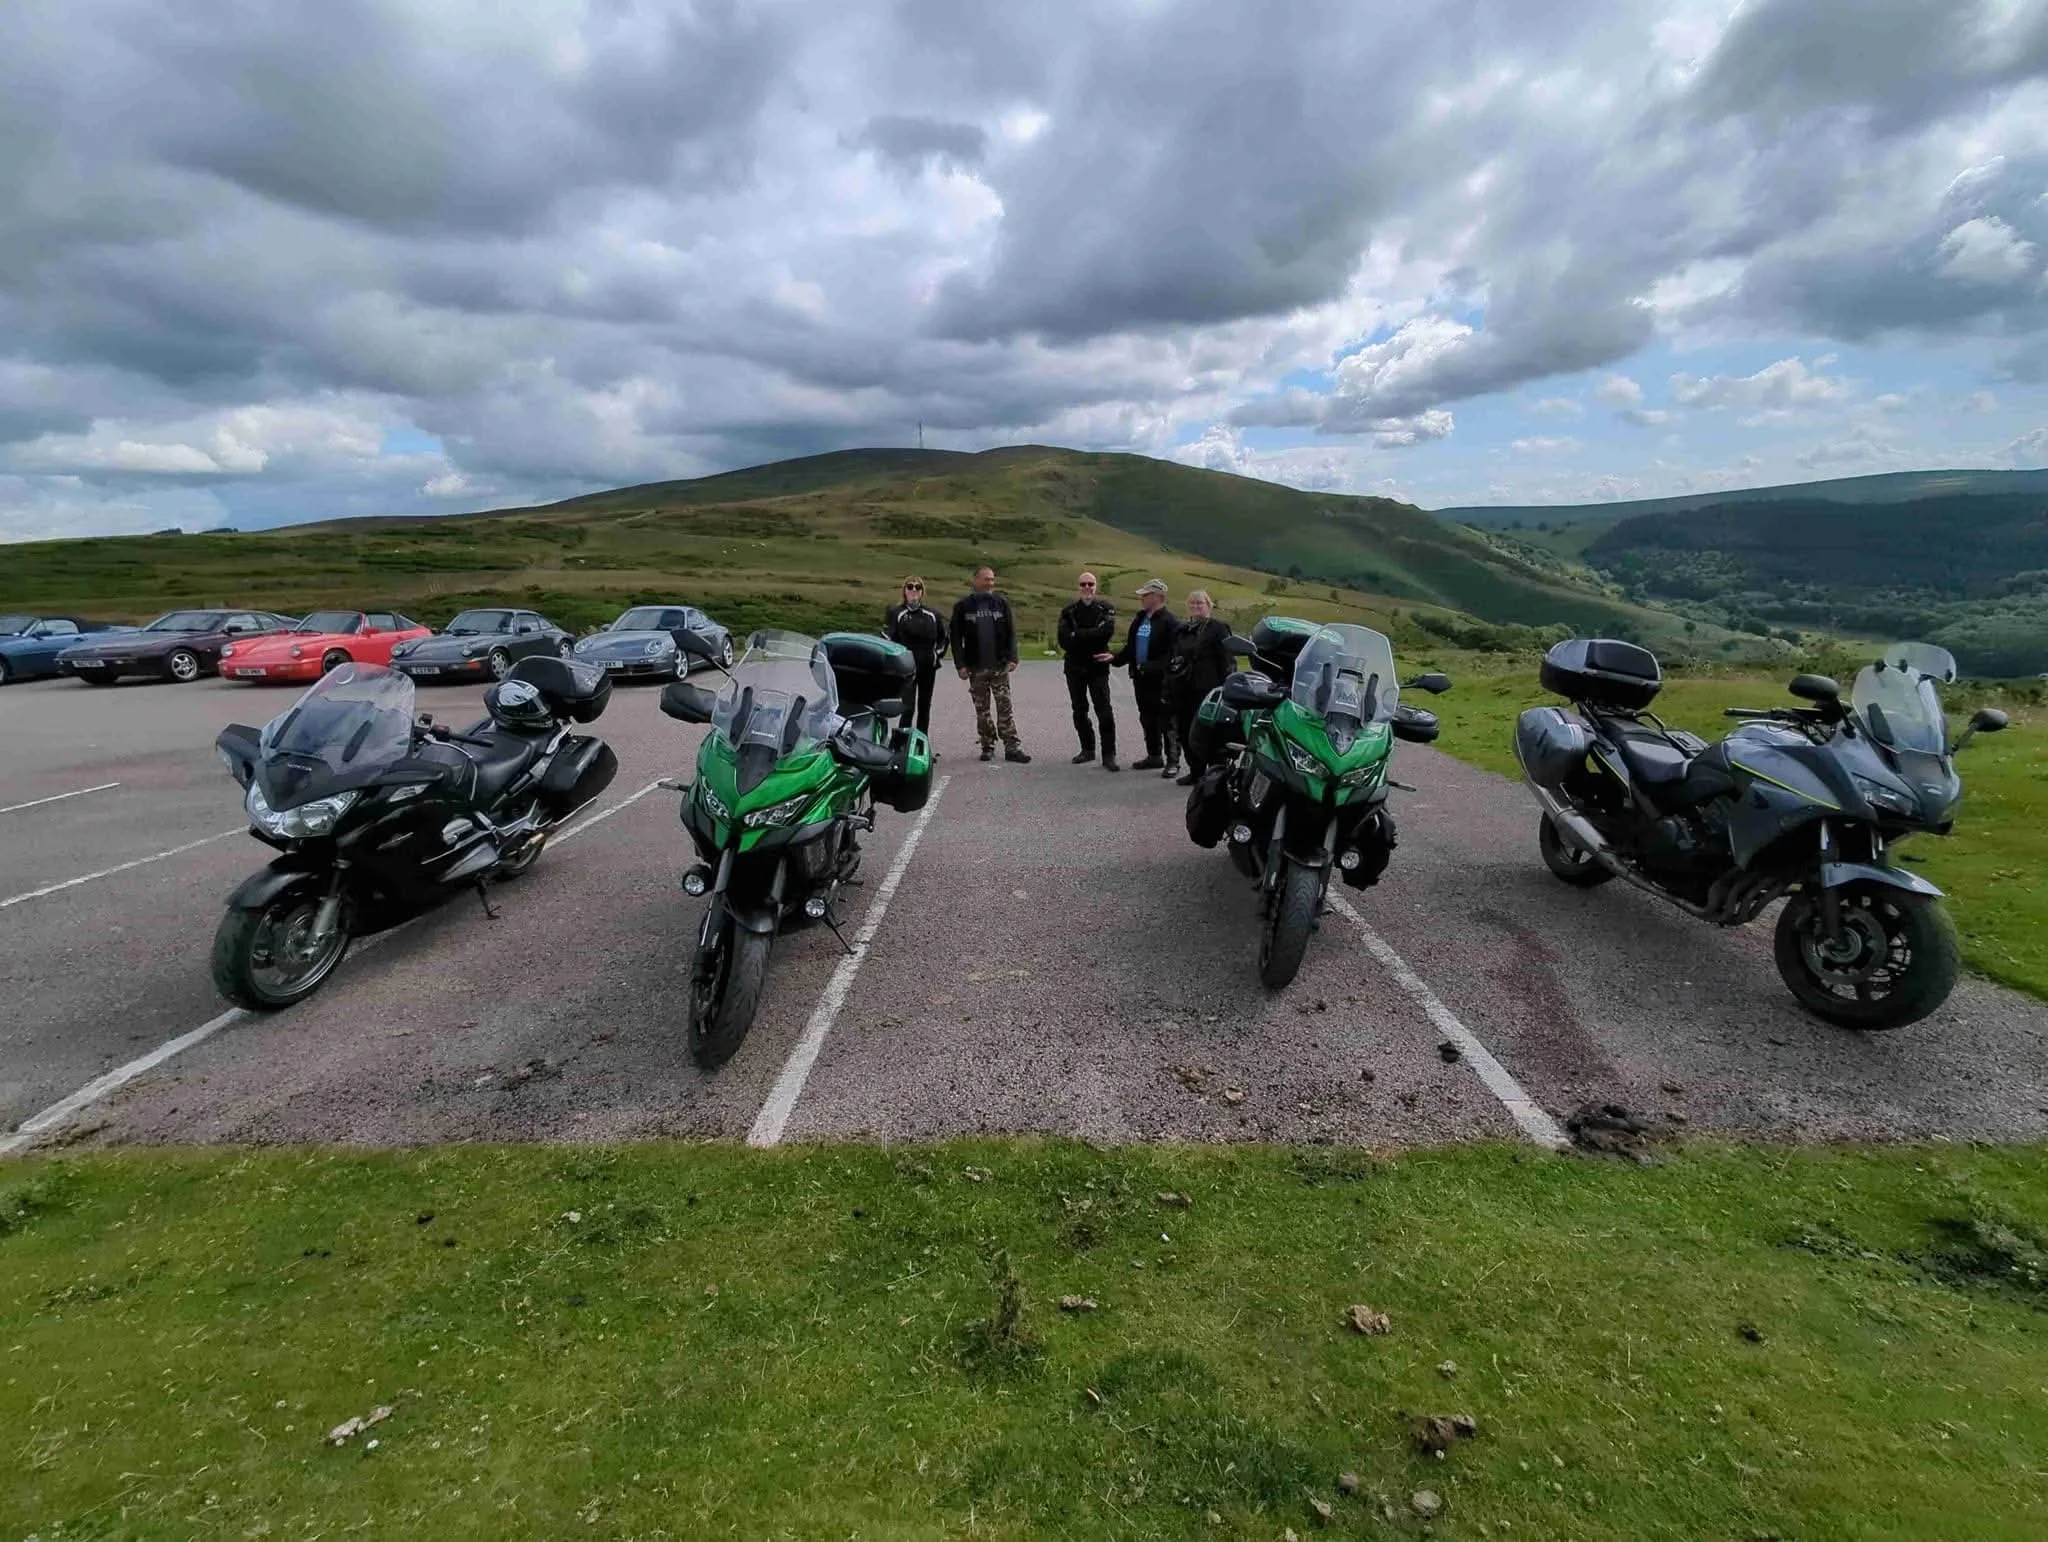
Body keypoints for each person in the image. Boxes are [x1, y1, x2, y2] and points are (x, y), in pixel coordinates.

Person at [950, 566, 1030, 763]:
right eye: (986, 579)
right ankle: (987, 746)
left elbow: (1011, 632)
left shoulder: (1001, 603)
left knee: (1005, 707)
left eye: (992, 580)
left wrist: (1013, 657)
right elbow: (955, 638)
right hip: (976, 668)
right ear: (975, 580)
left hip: (999, 666)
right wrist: (960, 664)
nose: (990, 583)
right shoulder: (963, 606)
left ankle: (1012, 747)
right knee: (982, 710)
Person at [1164, 589, 1233, 784]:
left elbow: (1227, 660)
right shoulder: (1182, 630)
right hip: (1184, 689)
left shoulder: (1218, 628)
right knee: (1186, 732)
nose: (1196, 607)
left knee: (1210, 732)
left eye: (1200, 603)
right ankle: (1196, 771)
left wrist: (1226, 688)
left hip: (1208, 689)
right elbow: (1173, 658)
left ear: (1209, 606)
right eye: (1192, 603)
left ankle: (1215, 774)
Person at [1056, 571, 1120, 771]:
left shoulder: (1106, 609)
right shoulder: (1068, 611)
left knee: (1104, 710)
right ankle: (1087, 749)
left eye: (1090, 584)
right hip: (1074, 667)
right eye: (1083, 584)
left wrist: (1078, 634)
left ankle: (1109, 755)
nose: (1086, 588)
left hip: (1098, 667)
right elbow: (1064, 640)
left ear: (1096, 586)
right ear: (1078, 586)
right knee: (1079, 709)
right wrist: (1090, 635)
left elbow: (1105, 634)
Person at [1112, 578, 1178, 772]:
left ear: (1158, 596)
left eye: (1146, 595)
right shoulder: (1140, 618)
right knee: (1147, 717)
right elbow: (1131, 647)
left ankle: (1173, 761)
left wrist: (1154, 667)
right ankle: (1154, 755)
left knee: (1166, 720)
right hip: (1141, 677)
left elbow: (1173, 654)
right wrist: (1114, 658)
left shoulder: (1170, 621)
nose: (1141, 598)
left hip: (1162, 679)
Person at [883, 576, 947, 738]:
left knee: (924, 707)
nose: (913, 590)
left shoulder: (932, 615)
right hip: (907, 667)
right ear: (904, 591)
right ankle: (901, 743)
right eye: (909, 587)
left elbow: (943, 639)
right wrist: (896, 660)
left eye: (917, 587)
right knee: (908, 707)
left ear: (922, 592)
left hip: (927, 666)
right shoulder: (896, 613)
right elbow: (887, 638)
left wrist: (935, 655)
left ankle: (921, 744)